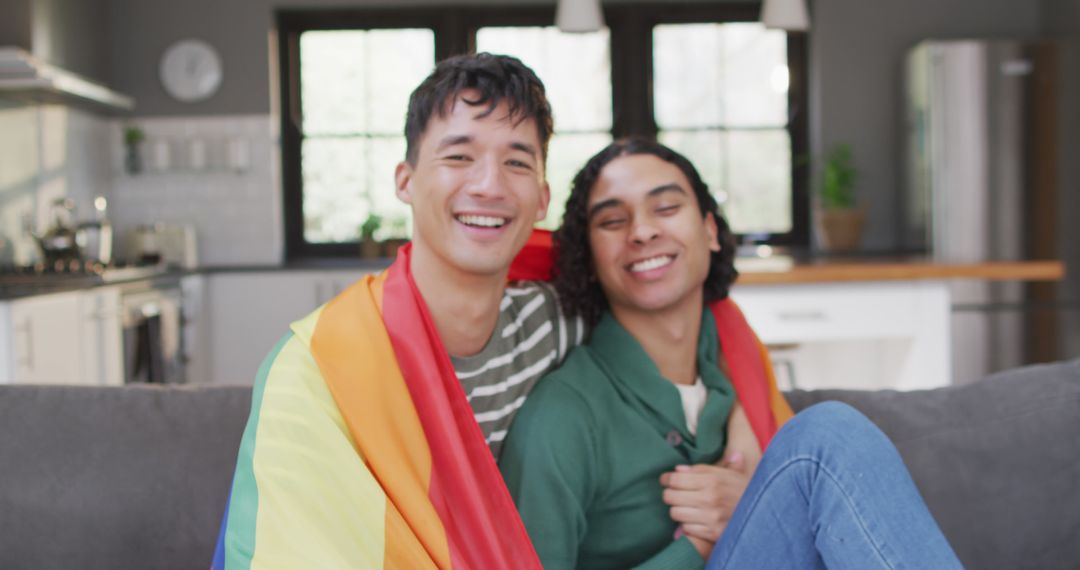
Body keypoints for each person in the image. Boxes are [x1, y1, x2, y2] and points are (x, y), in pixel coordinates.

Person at [211, 54, 729, 569]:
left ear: (542, 197)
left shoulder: (554, 322)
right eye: (458, 157)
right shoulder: (317, 367)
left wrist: (746, 451)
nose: (489, 185)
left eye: (518, 162)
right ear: (405, 181)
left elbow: (686, 315)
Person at [497, 138, 963, 569]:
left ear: (710, 231)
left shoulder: (732, 370)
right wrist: (700, 544)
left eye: (666, 207)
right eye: (613, 221)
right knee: (826, 438)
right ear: (589, 259)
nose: (641, 231)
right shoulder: (561, 419)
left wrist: (750, 506)